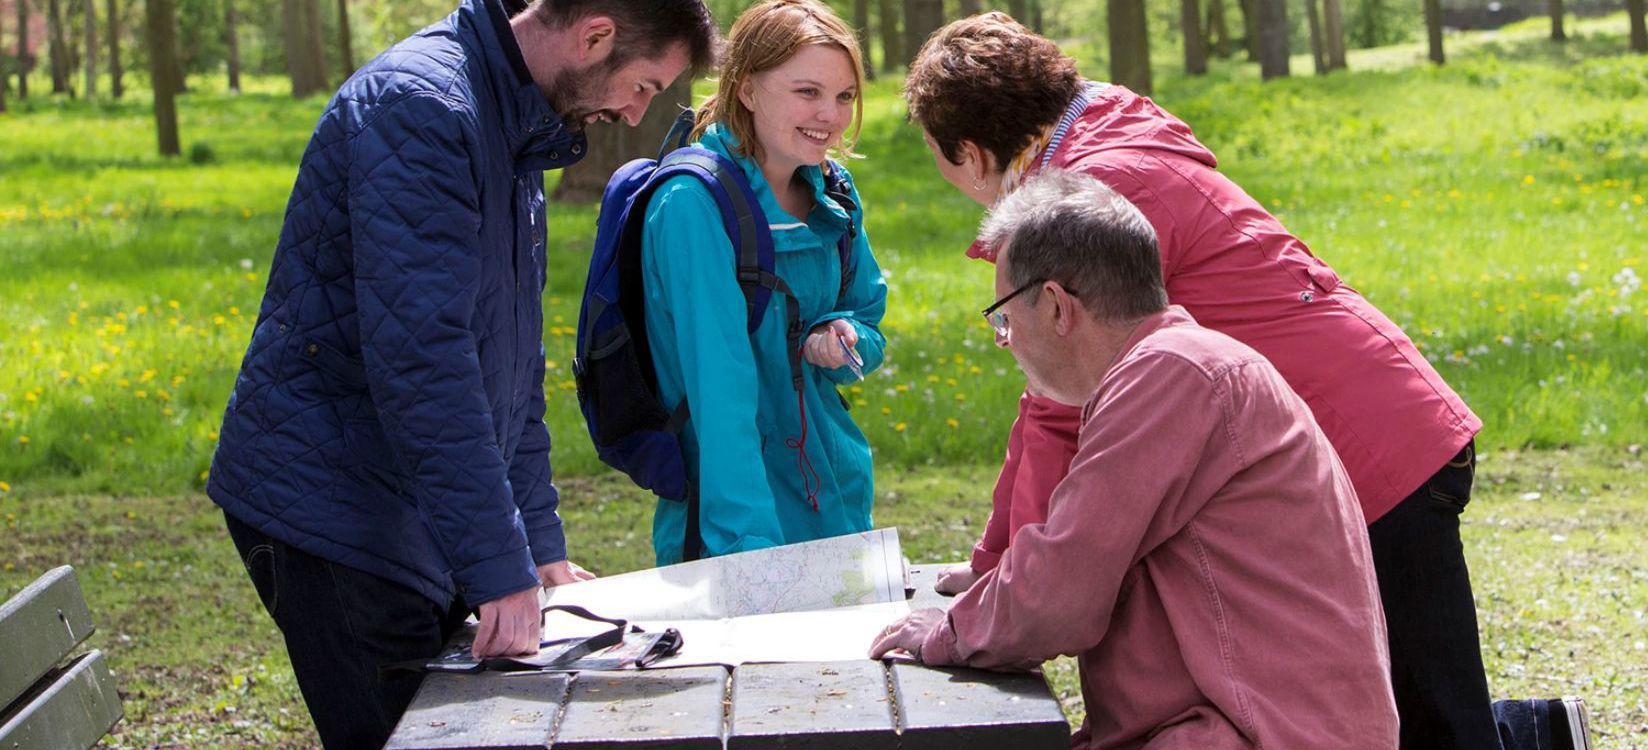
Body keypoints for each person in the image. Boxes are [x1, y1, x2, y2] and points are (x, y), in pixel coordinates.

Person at [904, 13, 1500, 749]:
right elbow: (1052, 408)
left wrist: (1000, 575)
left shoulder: (1097, 188)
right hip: (1373, 419)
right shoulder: (1111, 134)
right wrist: (999, 563)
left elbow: (1062, 413)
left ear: (966, 151)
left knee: (1437, 721)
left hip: (1374, 446)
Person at [205, 0, 715, 746]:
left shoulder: (514, 119)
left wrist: (537, 549)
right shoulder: (424, 109)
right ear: (594, 35)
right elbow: (425, 367)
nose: (637, 113)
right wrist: (497, 567)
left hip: (412, 506)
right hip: (337, 509)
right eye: (642, 84)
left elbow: (507, 368)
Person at [870, 170, 1398, 749]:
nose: (1005, 339)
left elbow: (1060, 588)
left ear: (1054, 307)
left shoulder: (1171, 374)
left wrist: (947, 631)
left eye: (1002, 316)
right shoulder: (1178, 365)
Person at [637, 0, 886, 565]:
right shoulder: (692, 206)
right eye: (808, 92)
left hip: (838, 498)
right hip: (735, 520)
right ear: (747, 90)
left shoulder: (836, 192)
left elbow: (869, 327)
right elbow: (717, 397)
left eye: (845, 96)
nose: (831, 115)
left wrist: (842, 336)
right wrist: (749, 555)